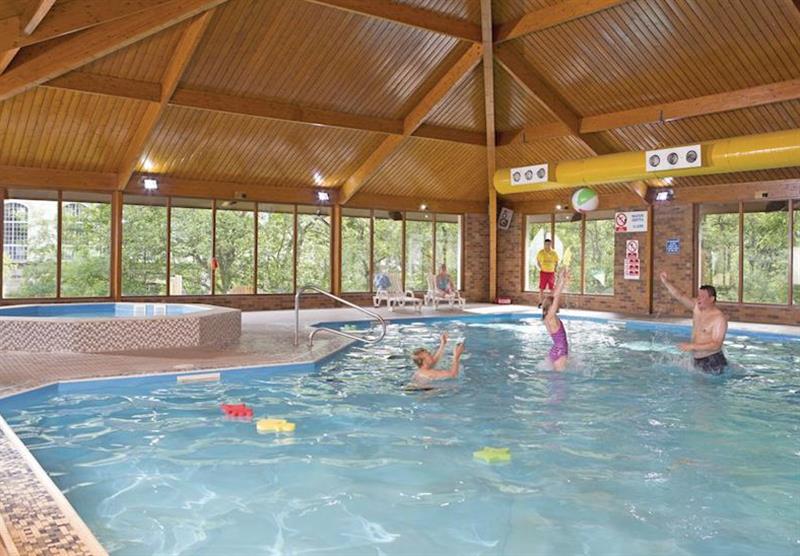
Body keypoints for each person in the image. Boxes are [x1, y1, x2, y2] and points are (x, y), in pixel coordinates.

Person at [659, 272, 729, 374]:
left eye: (702, 296)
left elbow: (716, 345)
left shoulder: (718, 319)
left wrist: (692, 346)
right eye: (698, 295)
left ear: (711, 299)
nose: (699, 298)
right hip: (697, 359)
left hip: (713, 361)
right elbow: (679, 295)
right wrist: (665, 281)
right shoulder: (696, 308)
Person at [541, 270, 569, 371]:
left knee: (555, 379)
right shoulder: (551, 317)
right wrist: (563, 281)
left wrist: (560, 278)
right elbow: (556, 296)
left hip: (556, 350)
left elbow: (554, 295)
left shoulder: (547, 317)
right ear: (552, 306)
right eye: (555, 304)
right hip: (560, 352)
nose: (558, 304)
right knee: (559, 383)